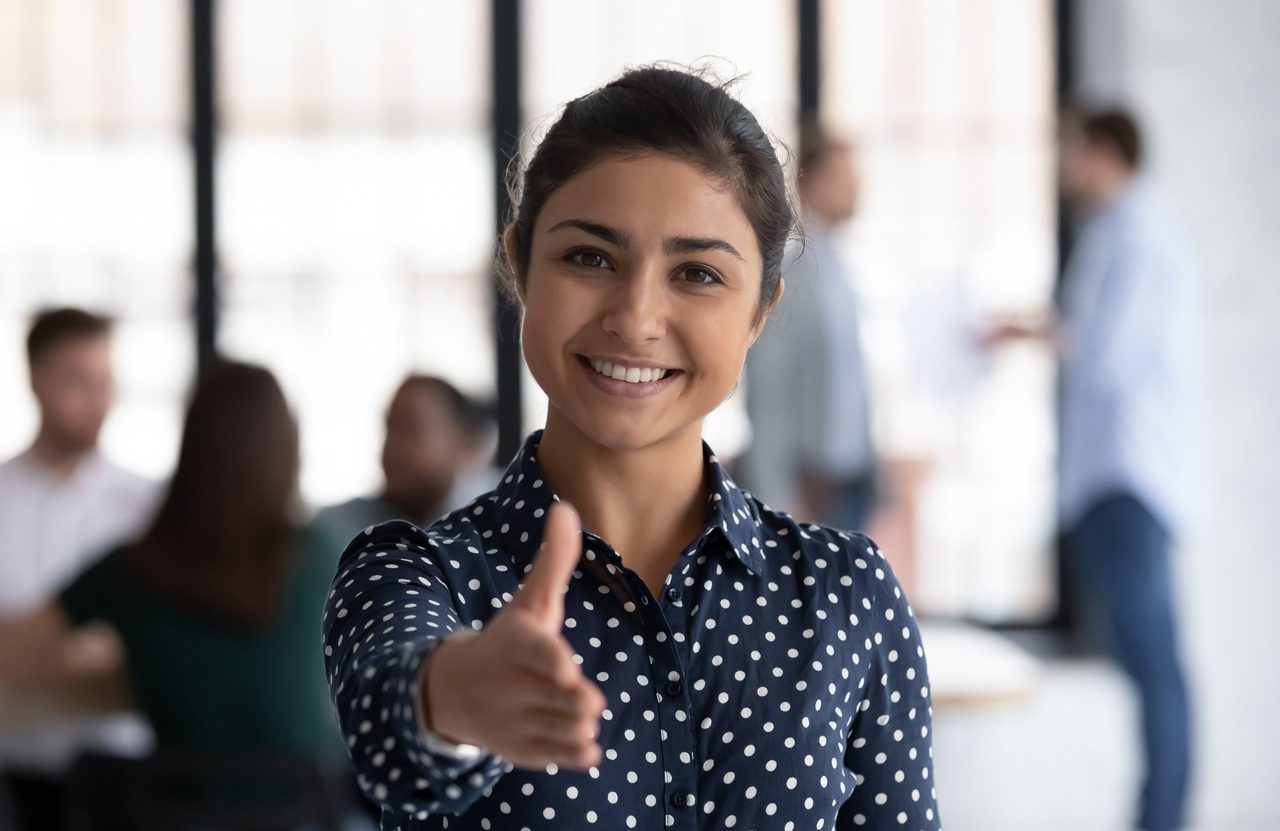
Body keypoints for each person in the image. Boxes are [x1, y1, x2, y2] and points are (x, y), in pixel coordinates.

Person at [324, 67, 940, 830]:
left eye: (698, 273)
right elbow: (390, 730)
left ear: (760, 312)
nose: (637, 317)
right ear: (519, 264)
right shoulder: (418, 572)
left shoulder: (848, 594)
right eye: (589, 257)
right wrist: (451, 699)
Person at [989, 107, 1196, 831]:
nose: (1060, 164)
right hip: (1112, 477)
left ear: (1105, 149)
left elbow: (1108, 353)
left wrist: (1033, 328)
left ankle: (1161, 820)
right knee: (1148, 666)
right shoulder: (1116, 231)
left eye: (1070, 149)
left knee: (1155, 667)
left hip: (1126, 477)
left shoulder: (1137, 234)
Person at [0, 308, 158, 828]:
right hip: (17, 767)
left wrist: (28, 655)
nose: (98, 401)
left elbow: (153, 646)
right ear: (35, 381)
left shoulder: (145, 505)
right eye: (78, 382)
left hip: (123, 763)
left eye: (106, 382)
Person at [741, 122, 878, 532]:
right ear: (809, 185)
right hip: (807, 480)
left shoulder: (839, 265)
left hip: (849, 476)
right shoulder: (793, 268)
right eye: (842, 177)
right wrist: (777, 493)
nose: (855, 187)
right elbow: (769, 385)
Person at [316, 376, 494, 540]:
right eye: (389, 427)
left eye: (410, 429)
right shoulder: (335, 529)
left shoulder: (493, 517)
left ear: (459, 441)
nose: (392, 446)